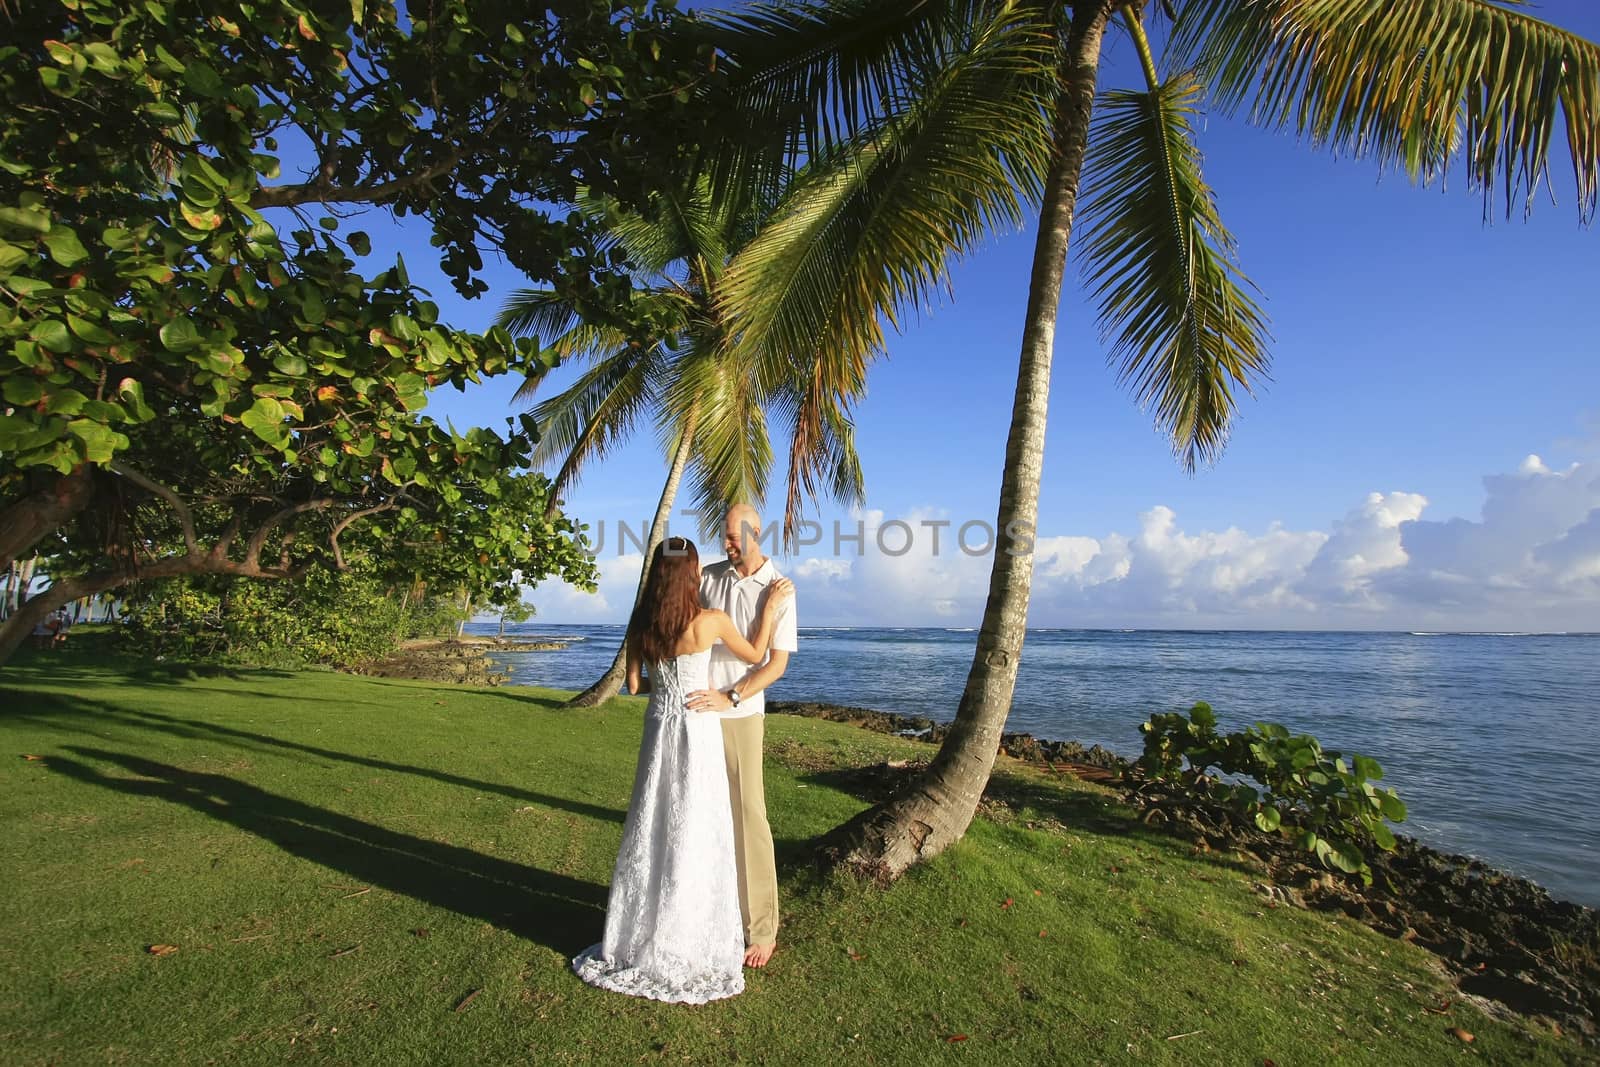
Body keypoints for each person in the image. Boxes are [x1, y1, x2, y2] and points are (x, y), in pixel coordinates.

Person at [572, 536, 793, 1004]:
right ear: (692, 575)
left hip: (660, 730)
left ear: (657, 574)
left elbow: (634, 684)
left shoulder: (641, 623)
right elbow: (756, 655)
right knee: (696, 822)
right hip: (697, 728)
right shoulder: (709, 621)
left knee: (655, 818)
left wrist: (668, 684)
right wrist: (770, 608)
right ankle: (690, 924)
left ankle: (645, 926)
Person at [686, 505, 798, 969]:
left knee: (749, 815)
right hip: (695, 713)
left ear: (758, 532)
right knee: (699, 813)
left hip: (738, 714)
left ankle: (762, 927)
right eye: (724, 537)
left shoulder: (781, 591)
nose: (728, 545)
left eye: (734, 538)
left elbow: (774, 663)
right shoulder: (709, 576)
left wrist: (729, 697)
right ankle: (702, 910)